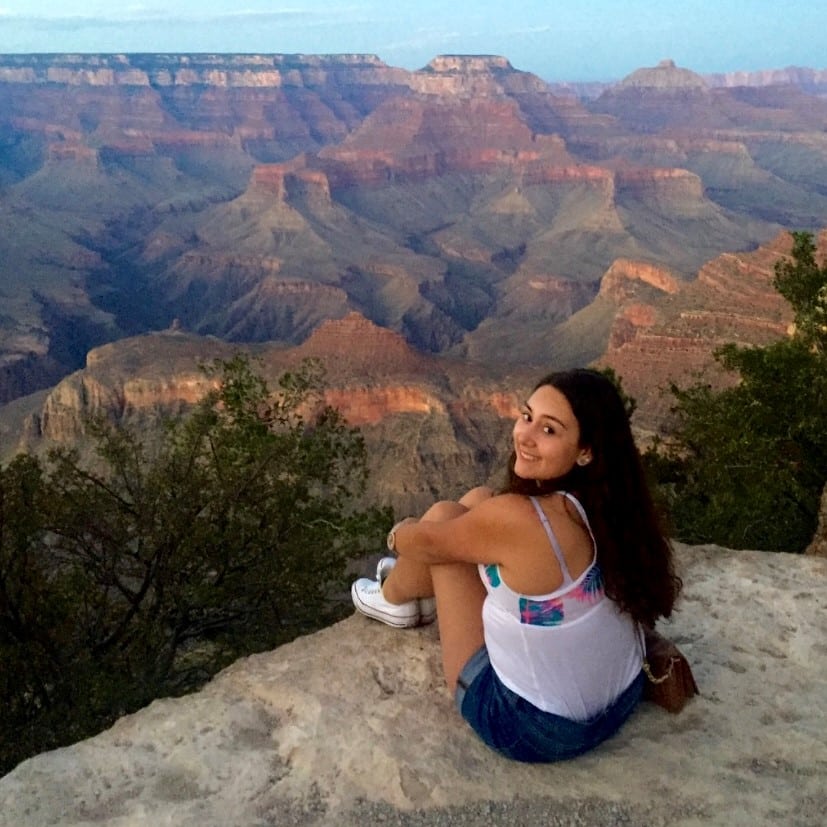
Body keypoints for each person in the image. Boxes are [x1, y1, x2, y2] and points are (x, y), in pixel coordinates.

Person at [351, 368, 681, 763]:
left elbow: (421, 542)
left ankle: (393, 598)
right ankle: (405, 594)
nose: (525, 435)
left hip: (532, 728)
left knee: (440, 519)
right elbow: (486, 516)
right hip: (620, 696)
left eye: (549, 430)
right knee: (476, 499)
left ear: (585, 450)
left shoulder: (520, 519)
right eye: (527, 417)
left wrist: (400, 532)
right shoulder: (611, 508)